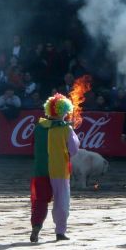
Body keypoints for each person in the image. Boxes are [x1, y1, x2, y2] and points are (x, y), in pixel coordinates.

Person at [30, 93, 80, 242]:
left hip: (40, 169)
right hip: (59, 169)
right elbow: (74, 149)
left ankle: (36, 227)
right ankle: (60, 232)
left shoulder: (39, 127)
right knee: (61, 201)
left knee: (40, 200)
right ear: (62, 111)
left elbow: (33, 146)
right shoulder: (66, 129)